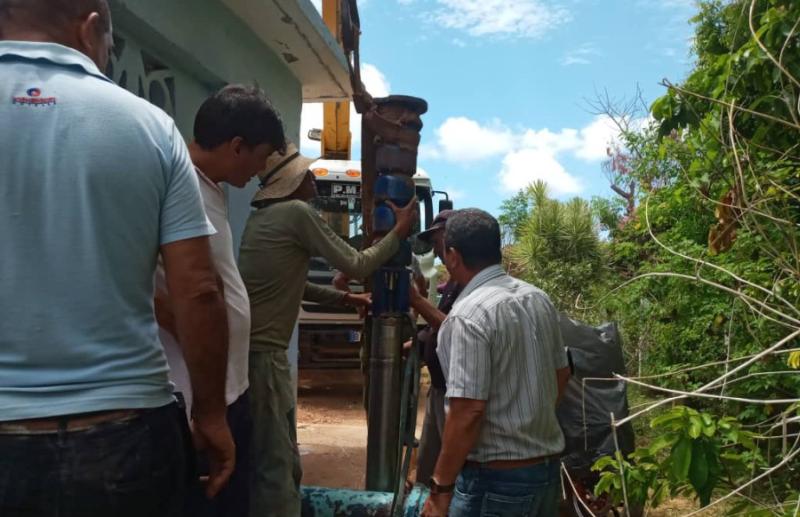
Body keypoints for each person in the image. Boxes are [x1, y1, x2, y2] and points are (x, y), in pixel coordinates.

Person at [0, 1, 234, 516]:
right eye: (112, 42)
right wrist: (213, 415)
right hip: (121, 436)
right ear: (89, 29)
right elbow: (198, 289)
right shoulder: (149, 126)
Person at [238, 145, 418, 517]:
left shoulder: (265, 217)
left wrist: (349, 301)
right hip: (264, 359)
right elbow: (356, 262)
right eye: (307, 176)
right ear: (292, 182)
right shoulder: (296, 213)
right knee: (276, 469)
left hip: (253, 356)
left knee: (280, 460)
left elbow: (296, 286)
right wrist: (398, 232)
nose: (313, 181)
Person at [155, 85, 286, 517]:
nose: (262, 168)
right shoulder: (176, 182)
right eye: (262, 155)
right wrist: (197, 336)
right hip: (196, 394)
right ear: (236, 147)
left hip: (229, 389)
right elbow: (161, 292)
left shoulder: (213, 187)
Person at [422, 209, 571, 517]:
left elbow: (467, 412)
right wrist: (527, 426)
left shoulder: (467, 316)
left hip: (496, 483)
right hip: (545, 472)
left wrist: (440, 491)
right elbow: (561, 374)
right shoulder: (537, 299)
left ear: (452, 256)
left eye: (443, 250)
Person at [408, 210, 463, 486]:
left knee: (450, 471)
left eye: (441, 242)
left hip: (457, 394)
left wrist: (416, 300)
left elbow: (451, 328)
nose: (439, 252)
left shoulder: (469, 284)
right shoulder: (452, 281)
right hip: (438, 389)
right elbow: (434, 329)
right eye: (436, 245)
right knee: (427, 463)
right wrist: (414, 346)